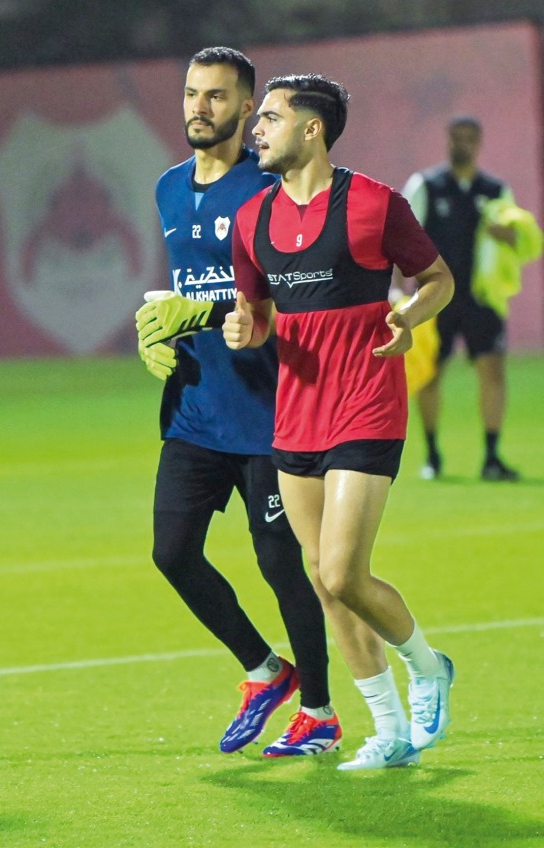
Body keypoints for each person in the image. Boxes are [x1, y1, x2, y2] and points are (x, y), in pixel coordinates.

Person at [223, 74, 457, 771]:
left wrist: (408, 317)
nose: (255, 129)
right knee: (325, 584)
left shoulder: (376, 204)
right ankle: (387, 730)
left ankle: (427, 666)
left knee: (343, 571)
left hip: (366, 402)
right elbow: (259, 317)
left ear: (312, 129)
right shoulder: (250, 221)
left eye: (269, 118)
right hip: (296, 416)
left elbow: (438, 281)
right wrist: (244, 328)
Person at [134, 48, 339, 757]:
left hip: (270, 410)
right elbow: (174, 295)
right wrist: (153, 336)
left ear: (247, 108)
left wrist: (203, 308)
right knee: (172, 551)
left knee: (282, 564)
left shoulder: (273, 187)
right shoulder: (167, 188)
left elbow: (291, 291)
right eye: (192, 94)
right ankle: (262, 670)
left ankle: (318, 710)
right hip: (194, 407)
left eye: (217, 97)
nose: (200, 108)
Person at [402, 117, 540, 481]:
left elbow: (519, 239)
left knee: (493, 370)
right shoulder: (427, 186)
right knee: (429, 374)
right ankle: (432, 455)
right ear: (447, 141)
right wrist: (398, 290)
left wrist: (506, 234)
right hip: (434, 296)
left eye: (468, 139)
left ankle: (492, 456)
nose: (461, 145)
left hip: (481, 296)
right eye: (456, 138)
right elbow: (403, 236)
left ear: (478, 143)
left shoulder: (495, 190)